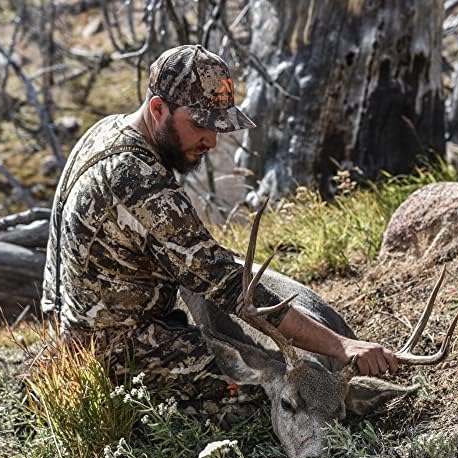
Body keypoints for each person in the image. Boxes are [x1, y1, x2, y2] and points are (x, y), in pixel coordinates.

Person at [41, 45, 398, 389]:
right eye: (200, 124)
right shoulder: (137, 181)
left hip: (75, 332)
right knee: (276, 379)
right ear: (158, 109)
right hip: (115, 359)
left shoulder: (104, 131)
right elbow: (231, 288)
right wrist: (342, 346)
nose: (211, 141)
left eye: (218, 126)